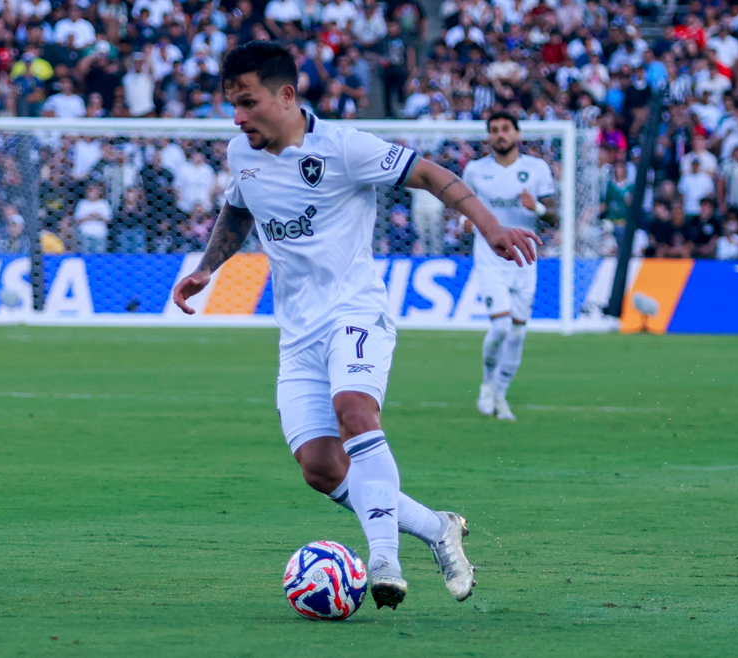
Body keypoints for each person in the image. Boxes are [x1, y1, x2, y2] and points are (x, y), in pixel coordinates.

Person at [171, 42, 539, 611]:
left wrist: (490, 228)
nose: (237, 118)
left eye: (247, 103)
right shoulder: (241, 153)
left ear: (286, 96)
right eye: (232, 105)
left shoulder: (345, 148)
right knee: (319, 467)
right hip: (297, 335)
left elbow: (431, 174)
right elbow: (240, 208)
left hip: (355, 311)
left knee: (355, 410)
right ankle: (437, 526)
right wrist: (206, 269)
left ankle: (384, 560)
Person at [461, 112, 558, 420]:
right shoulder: (475, 170)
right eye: (494, 130)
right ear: (489, 137)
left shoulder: (537, 168)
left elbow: (554, 216)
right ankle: (487, 385)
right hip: (490, 257)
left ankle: (500, 395)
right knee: (501, 327)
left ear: (517, 134)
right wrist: (464, 222)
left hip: (525, 259)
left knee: (517, 333)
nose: (500, 134)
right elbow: (461, 208)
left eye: (505, 129)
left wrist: (537, 207)